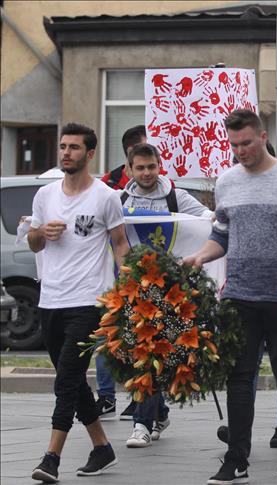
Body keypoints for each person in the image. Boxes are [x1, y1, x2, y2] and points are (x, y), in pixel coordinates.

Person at [184, 109, 277, 483]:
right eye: (233, 145)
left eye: (246, 143)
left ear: (263, 137)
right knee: (238, 376)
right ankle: (237, 457)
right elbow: (222, 235)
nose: (240, 151)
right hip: (239, 295)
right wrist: (200, 256)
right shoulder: (227, 181)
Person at [29, 123, 130, 482]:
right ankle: (102, 448)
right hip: (51, 298)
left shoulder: (105, 196)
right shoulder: (45, 196)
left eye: (73, 147)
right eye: (62, 146)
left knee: (66, 378)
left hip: (90, 300)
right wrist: (41, 233)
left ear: (89, 154)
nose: (66, 152)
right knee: (68, 378)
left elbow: (120, 244)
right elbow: (33, 242)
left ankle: (51, 457)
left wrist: (132, 283)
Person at [117, 143, 212, 448]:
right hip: (134, 287)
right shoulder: (118, 200)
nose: (146, 173)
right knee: (141, 353)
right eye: (140, 168)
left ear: (160, 166)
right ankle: (151, 417)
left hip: (169, 289)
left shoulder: (176, 196)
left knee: (154, 352)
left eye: (151, 167)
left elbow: (203, 220)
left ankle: (146, 420)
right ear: (129, 169)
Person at [95, 124, 148, 422]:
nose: (147, 167)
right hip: (111, 271)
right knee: (109, 334)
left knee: (142, 337)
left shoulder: (163, 187)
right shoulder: (109, 184)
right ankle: (106, 395)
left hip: (147, 273)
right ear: (129, 156)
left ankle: (139, 397)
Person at [100, 124, 146, 190]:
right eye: (147, 149)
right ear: (130, 151)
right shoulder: (107, 183)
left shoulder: (162, 182)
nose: (153, 153)